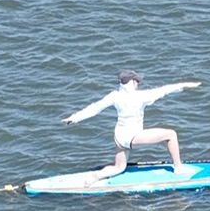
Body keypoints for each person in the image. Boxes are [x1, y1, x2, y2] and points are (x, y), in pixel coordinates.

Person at [66, 71, 200, 177]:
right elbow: (164, 90)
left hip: (119, 137)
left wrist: (74, 118)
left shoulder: (114, 96)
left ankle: (95, 176)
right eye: (136, 81)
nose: (138, 83)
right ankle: (178, 168)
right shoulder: (141, 96)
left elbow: (95, 108)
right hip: (133, 136)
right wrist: (186, 85)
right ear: (131, 82)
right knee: (171, 134)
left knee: (119, 168)